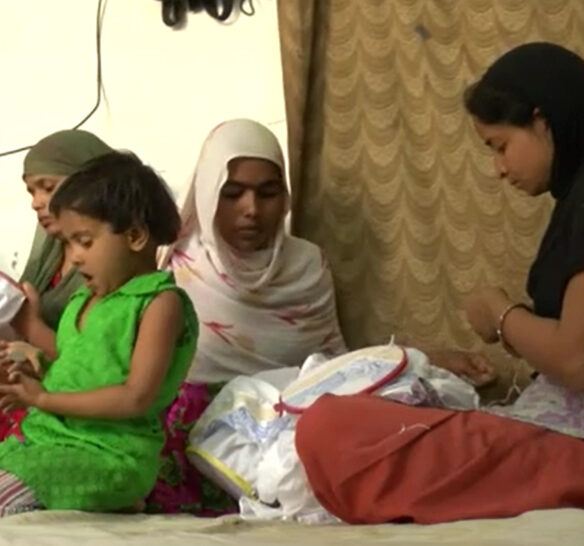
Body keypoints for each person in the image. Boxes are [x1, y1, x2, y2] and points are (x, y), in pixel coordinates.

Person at [295, 42, 584, 524]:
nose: (499, 169)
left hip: (570, 443)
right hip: (554, 430)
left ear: (543, 120)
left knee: (332, 427)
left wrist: (502, 316)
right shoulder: (573, 199)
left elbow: (576, 359)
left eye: (500, 145)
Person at [0, 151, 197, 521]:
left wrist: (45, 399)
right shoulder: (84, 299)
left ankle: (119, 504)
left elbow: (135, 397)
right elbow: (74, 363)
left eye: (84, 241)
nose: (75, 257)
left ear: (134, 236)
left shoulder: (159, 303)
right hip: (48, 439)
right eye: (68, 243)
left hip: (110, 453)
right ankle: (86, 511)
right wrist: (16, 375)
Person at [146, 118, 347, 514]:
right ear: (206, 194)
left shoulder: (307, 267)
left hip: (282, 430)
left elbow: (330, 366)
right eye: (232, 193)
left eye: (268, 193)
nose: (251, 210)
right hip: (187, 437)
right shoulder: (176, 265)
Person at [0, 130, 114, 450]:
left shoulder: (113, 269)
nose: (37, 203)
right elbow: (19, 333)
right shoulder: (50, 251)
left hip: (79, 398)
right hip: (41, 377)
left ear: (92, 186)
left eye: (48, 188)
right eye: (31, 191)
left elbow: (93, 367)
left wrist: (31, 328)